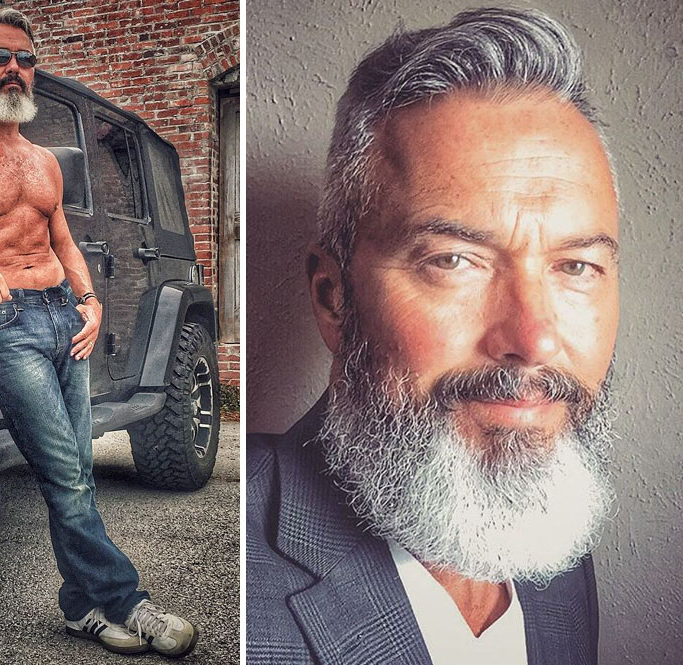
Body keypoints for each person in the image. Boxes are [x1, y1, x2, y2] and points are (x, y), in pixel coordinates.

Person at [247, 7, 618, 665]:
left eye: (576, 266)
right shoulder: (239, 586)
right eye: (454, 260)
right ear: (334, 299)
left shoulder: (552, 537)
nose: (533, 339)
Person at [0, 8, 197, 658]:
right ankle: (125, 600)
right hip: (6, 327)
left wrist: (87, 301)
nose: (12, 71)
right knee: (63, 471)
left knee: (79, 466)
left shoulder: (41, 162)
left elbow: (61, 238)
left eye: (24, 60)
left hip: (62, 315)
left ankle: (79, 607)